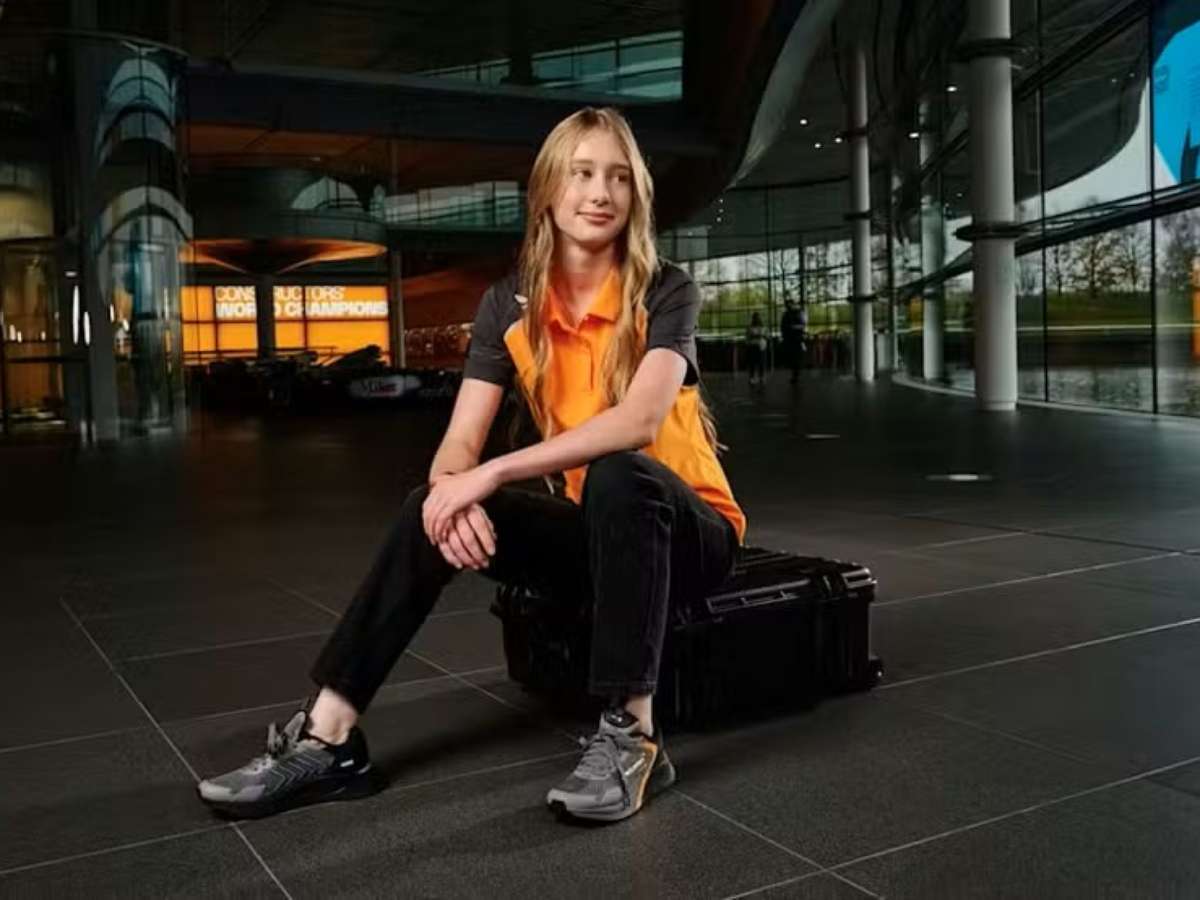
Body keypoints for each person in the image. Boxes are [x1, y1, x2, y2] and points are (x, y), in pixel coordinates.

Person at [196, 107, 747, 825]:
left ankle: (634, 738)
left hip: (691, 537)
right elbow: (460, 442)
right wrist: (452, 494)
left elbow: (638, 422)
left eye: (618, 177)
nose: (600, 192)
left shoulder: (666, 289)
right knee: (430, 504)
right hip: (597, 535)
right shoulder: (507, 305)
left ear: (636, 194)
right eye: (582, 173)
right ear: (548, 191)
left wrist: (492, 474)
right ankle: (328, 739)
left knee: (617, 470)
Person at [779, 299, 808, 384]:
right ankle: (795, 373)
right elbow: (802, 325)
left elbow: (802, 325)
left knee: (795, 357)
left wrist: (791, 329)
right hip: (793, 339)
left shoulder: (794, 314)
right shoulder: (793, 314)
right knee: (794, 357)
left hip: (795, 339)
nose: (788, 306)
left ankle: (795, 374)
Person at [744, 311, 767, 388]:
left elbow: (765, 335)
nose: (757, 319)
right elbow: (748, 337)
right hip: (754, 346)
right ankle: (753, 377)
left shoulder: (762, 327)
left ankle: (760, 377)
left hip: (760, 346)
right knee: (753, 363)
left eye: (758, 317)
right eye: (756, 318)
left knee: (760, 363)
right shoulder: (750, 327)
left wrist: (757, 336)